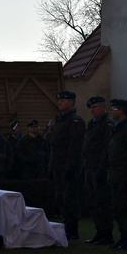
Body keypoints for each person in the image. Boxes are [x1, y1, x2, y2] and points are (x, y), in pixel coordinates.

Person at [102, 99, 127, 250]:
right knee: (118, 208)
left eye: (113, 109)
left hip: (125, 177)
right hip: (115, 176)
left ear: (120, 110)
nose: (111, 112)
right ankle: (123, 237)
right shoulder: (116, 129)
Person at [47, 91, 85, 240]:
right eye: (59, 100)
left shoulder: (75, 121)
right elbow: (54, 145)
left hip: (68, 166)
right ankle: (66, 225)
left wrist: (70, 167)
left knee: (70, 198)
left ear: (71, 102)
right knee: (61, 198)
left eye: (63, 100)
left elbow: (74, 147)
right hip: (58, 165)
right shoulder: (59, 120)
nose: (60, 103)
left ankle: (72, 229)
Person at [83, 96, 113, 245]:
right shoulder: (92, 124)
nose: (92, 110)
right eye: (91, 108)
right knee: (92, 201)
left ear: (102, 107)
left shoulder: (106, 124)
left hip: (99, 168)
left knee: (102, 201)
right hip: (89, 167)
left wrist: (102, 168)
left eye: (95, 107)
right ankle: (99, 231)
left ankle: (107, 233)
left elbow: (107, 148)